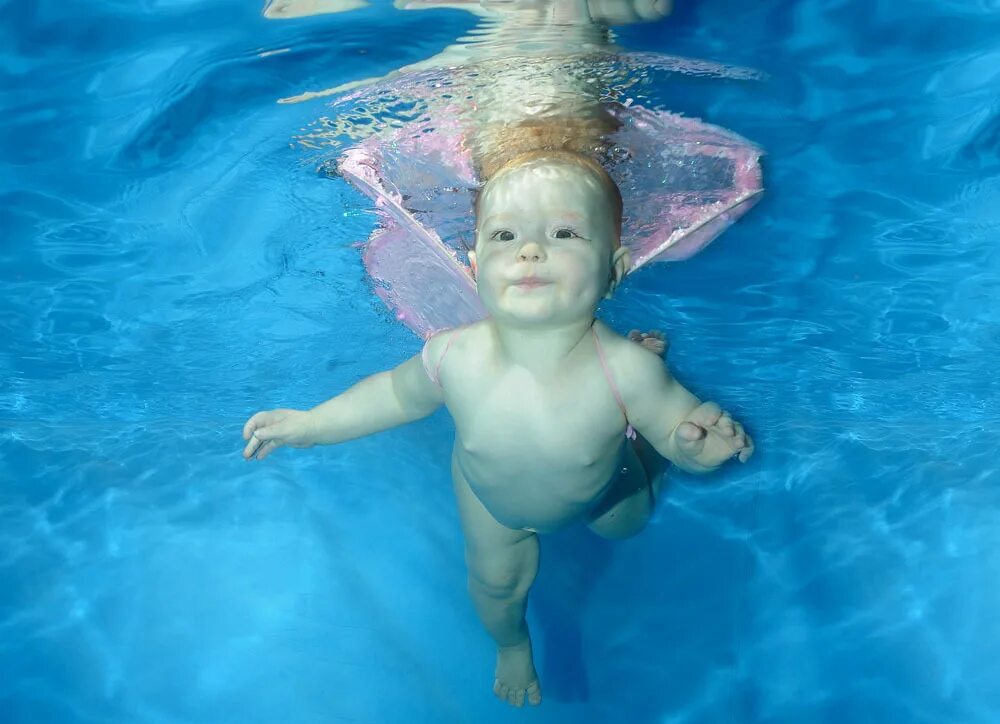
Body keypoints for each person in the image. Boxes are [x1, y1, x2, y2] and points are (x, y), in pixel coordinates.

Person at [241, 147, 754, 708]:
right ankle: (511, 645)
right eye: (505, 237)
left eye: (563, 234)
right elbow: (394, 395)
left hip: (606, 487)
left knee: (622, 526)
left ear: (615, 269)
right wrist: (313, 423)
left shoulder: (629, 372)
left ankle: (647, 459)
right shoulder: (452, 355)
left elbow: (683, 425)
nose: (531, 250)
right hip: (492, 506)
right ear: (474, 264)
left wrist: (693, 447)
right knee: (495, 586)